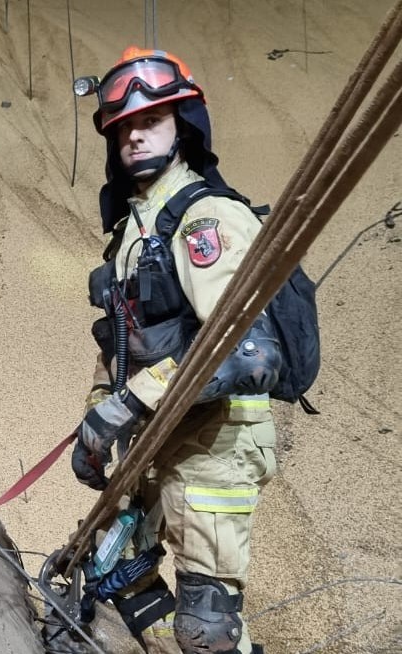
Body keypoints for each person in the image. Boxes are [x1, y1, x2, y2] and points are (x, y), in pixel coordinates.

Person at [71, 46, 281, 654]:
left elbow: (245, 350)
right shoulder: (135, 232)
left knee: (207, 630)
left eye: (150, 122)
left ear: (182, 126)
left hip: (215, 446)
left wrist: (123, 407)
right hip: (157, 442)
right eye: (123, 129)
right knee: (117, 569)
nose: (134, 137)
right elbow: (119, 340)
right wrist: (96, 417)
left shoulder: (206, 218)